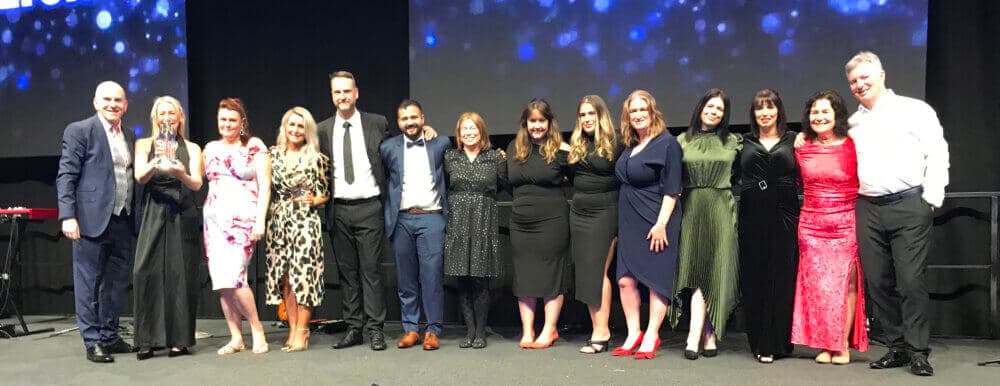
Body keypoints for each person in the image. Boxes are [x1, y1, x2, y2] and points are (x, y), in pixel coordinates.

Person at [846, 51, 948, 376]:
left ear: (882, 75)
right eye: (853, 81)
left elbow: (937, 150)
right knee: (876, 281)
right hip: (868, 207)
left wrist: (931, 198)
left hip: (909, 204)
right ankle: (897, 347)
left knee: (910, 280)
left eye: (865, 77)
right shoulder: (853, 123)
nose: (860, 85)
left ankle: (918, 350)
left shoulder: (914, 110)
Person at [57, 81, 138, 363]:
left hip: (123, 219)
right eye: (107, 99)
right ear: (95, 102)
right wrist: (68, 215)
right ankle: (92, 341)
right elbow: (66, 175)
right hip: (90, 219)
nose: (113, 104)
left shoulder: (129, 134)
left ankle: (110, 335)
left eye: (118, 100)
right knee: (88, 282)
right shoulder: (80, 130)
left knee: (116, 283)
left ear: (126, 105)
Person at [316, 71, 395, 351]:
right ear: (332, 95)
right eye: (337, 92)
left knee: (371, 271)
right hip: (339, 209)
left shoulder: (377, 122)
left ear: (356, 92)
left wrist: (427, 133)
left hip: (369, 206)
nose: (342, 97)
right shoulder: (322, 129)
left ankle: (375, 329)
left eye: (346, 91)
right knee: (347, 273)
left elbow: (395, 152)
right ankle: (354, 328)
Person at [790, 90, 869, 365]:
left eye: (825, 111)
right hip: (811, 224)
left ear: (836, 115)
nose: (819, 116)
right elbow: (797, 183)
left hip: (845, 222)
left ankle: (842, 345)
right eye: (814, 112)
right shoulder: (802, 146)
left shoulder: (853, 144)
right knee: (818, 286)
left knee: (845, 283)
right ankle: (825, 343)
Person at [671, 88, 741, 360]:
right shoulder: (681, 141)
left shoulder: (734, 141)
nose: (713, 112)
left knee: (715, 270)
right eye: (710, 107)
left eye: (719, 109)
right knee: (696, 270)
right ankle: (703, 334)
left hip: (721, 208)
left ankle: (699, 334)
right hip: (691, 208)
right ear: (701, 108)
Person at [611, 90, 682, 359]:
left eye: (643, 110)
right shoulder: (630, 146)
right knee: (625, 281)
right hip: (630, 220)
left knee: (655, 280)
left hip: (656, 219)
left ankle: (652, 334)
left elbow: (673, 188)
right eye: (633, 111)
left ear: (653, 112)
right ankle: (633, 333)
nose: (639, 115)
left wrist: (662, 223)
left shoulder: (667, 144)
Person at [132, 96, 203, 360]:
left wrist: (181, 172)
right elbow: (139, 177)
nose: (166, 118)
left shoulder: (193, 148)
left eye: (171, 114)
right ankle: (146, 341)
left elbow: (196, 184)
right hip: (153, 208)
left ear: (180, 117)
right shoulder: (144, 144)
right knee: (145, 270)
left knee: (180, 274)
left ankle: (180, 340)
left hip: (182, 209)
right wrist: (156, 160)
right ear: (154, 117)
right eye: (162, 114)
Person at [380, 100, 451, 351]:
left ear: (422, 118)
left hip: (432, 217)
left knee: (431, 276)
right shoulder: (388, 147)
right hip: (402, 219)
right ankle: (411, 328)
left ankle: (432, 330)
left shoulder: (440, 143)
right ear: (398, 122)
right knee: (406, 279)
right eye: (404, 119)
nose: (409, 122)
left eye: (414, 117)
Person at [202, 98, 271, 355]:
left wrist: (260, 220)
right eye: (223, 119)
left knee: (236, 277)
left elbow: (265, 186)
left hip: (243, 221)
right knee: (222, 282)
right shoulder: (209, 148)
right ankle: (235, 337)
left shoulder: (254, 146)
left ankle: (257, 329)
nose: (227, 124)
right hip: (214, 222)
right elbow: (196, 180)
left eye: (232, 120)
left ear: (241, 122)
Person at [736, 89, 799, 364]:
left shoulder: (794, 140)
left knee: (782, 276)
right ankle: (760, 340)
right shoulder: (744, 142)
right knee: (755, 276)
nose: (765, 113)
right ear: (753, 114)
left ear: (778, 111)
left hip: (785, 212)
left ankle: (778, 341)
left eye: (770, 107)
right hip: (752, 213)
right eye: (759, 108)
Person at [506, 99, 571, 350]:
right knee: (524, 275)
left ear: (549, 122)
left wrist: (566, 150)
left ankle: (549, 329)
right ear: (526, 123)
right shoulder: (513, 147)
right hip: (521, 222)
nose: (536, 126)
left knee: (551, 273)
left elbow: (577, 176)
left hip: (552, 220)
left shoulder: (560, 150)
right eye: (532, 121)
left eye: (541, 121)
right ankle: (527, 331)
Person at [265, 107, 329, 353]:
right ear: (284, 126)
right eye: (291, 125)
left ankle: (303, 330)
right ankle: (292, 329)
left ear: (307, 130)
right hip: (278, 220)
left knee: (304, 277)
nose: (295, 130)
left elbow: (324, 193)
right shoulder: (273, 155)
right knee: (286, 279)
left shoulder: (316, 157)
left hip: (304, 221)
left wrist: (313, 200)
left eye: (300, 126)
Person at [443, 112, 506, 349]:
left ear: (482, 131)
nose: (469, 133)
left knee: (480, 279)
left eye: (473, 128)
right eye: (464, 129)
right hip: (458, 220)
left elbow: (506, 185)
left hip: (483, 220)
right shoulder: (450, 157)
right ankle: (469, 331)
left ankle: (481, 331)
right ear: (459, 134)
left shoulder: (495, 157)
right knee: (463, 279)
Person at [566, 95, 623, 354]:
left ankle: (602, 331)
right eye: (583, 115)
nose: (587, 119)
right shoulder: (577, 143)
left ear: (601, 115)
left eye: (592, 114)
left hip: (605, 210)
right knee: (586, 272)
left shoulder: (617, 141)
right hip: (579, 211)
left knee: (599, 270)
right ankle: (596, 328)